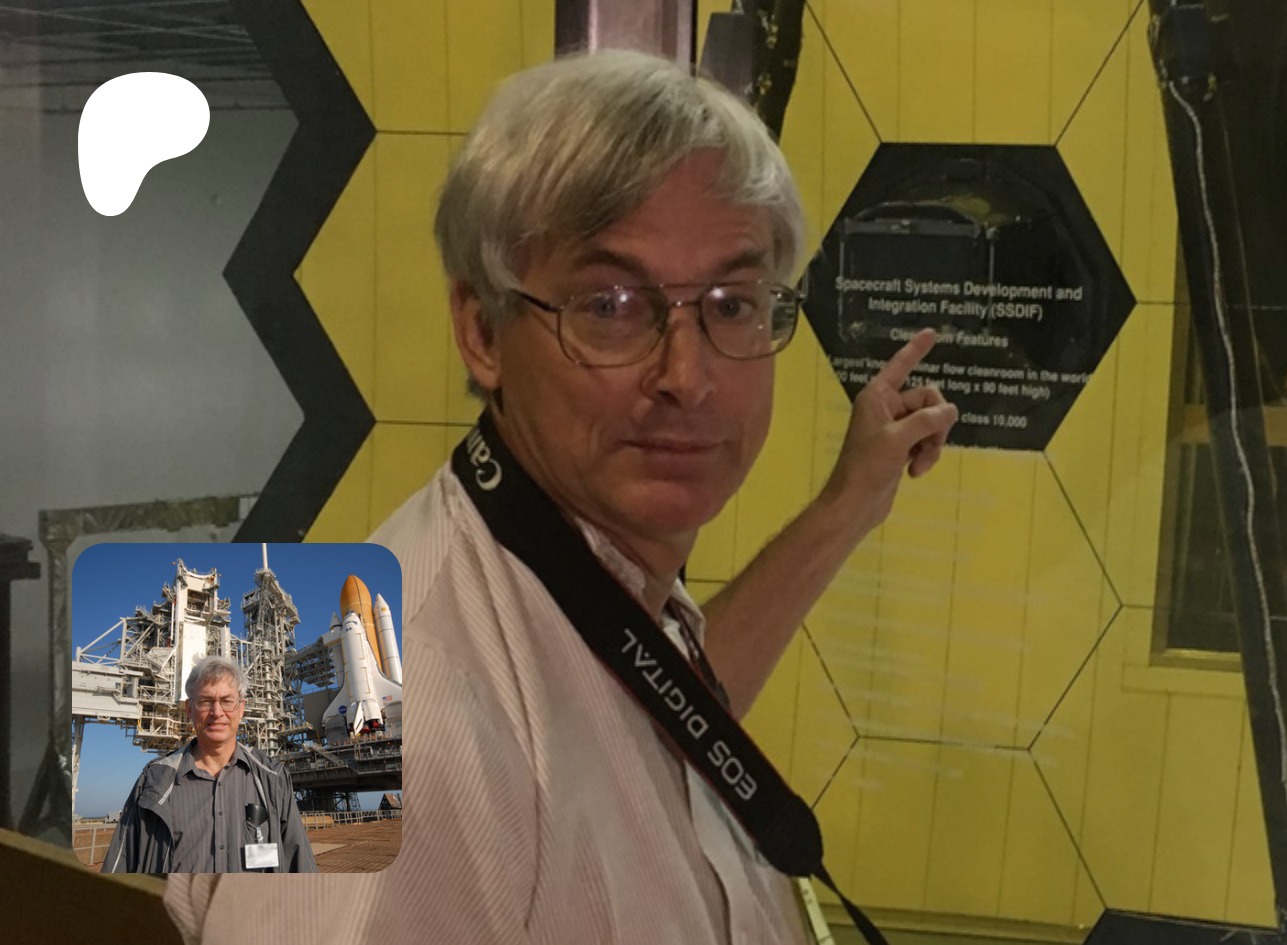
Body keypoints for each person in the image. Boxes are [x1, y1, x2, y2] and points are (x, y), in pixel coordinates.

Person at [164, 50, 956, 943]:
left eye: (731, 303)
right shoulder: (396, 724)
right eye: (610, 304)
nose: (688, 376)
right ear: (483, 330)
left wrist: (849, 502)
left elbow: (636, 722)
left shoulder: (576, 571)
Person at [103, 656, 316, 873]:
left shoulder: (272, 779)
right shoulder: (154, 781)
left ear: (241, 708)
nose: (217, 712)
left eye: (227, 701)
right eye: (205, 701)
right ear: (189, 709)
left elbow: (301, 868)